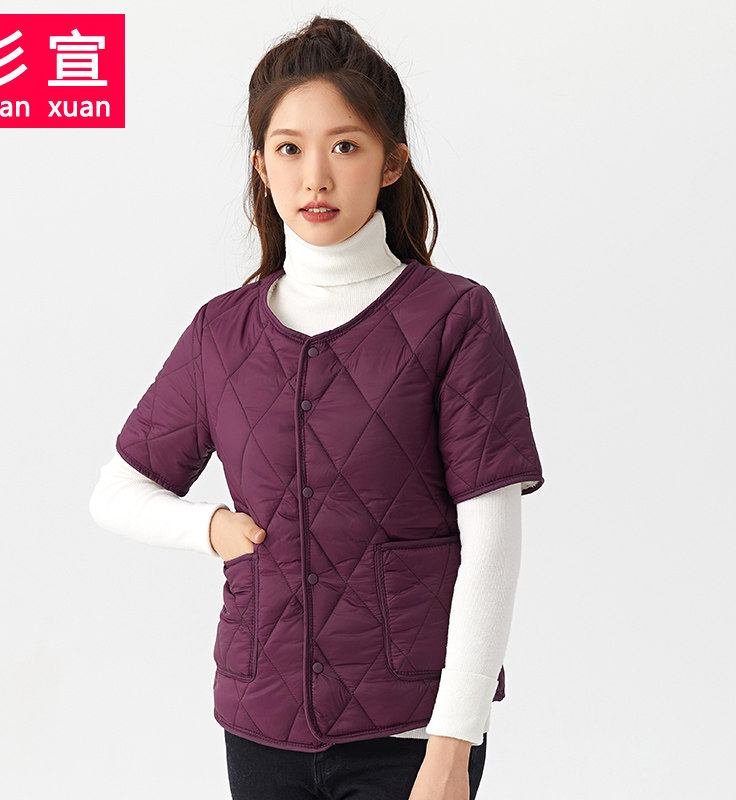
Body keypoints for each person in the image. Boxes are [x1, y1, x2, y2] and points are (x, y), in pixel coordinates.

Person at [89, 15, 544, 800]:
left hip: (411, 733)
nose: (316, 179)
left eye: (345, 146)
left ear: (392, 161)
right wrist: (208, 528)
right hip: (259, 724)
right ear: (261, 166)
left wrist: (454, 742)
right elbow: (115, 493)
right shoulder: (221, 332)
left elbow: (493, 545)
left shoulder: (453, 318)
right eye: (290, 149)